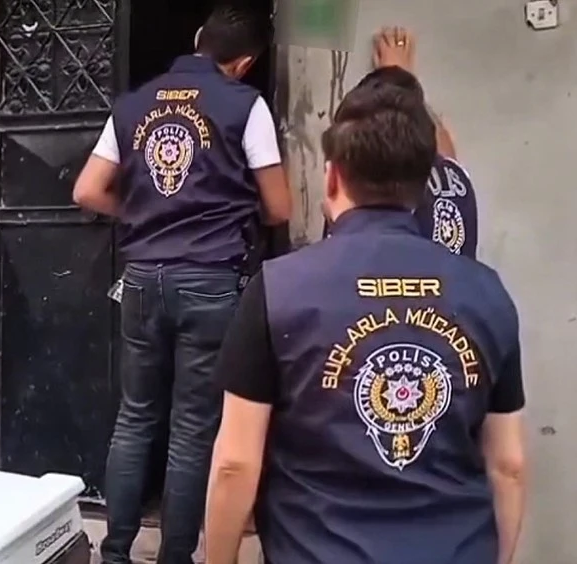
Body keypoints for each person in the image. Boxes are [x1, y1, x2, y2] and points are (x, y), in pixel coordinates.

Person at [203, 62, 527, 563]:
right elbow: (508, 465)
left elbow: (234, 465)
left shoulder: (279, 289)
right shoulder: (486, 292)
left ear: (332, 175)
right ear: (424, 182)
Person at [72, 5, 291, 563]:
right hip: (211, 281)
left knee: (134, 417)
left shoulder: (133, 105)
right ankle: (175, 557)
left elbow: (87, 190)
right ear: (245, 62)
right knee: (193, 428)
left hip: (143, 278)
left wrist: (146, 214)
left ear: (197, 39)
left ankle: (114, 553)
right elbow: (278, 207)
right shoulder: (245, 105)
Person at [323, 27, 479, 258]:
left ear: (333, 180)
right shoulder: (453, 190)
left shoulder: (327, 258)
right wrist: (400, 88)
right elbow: (441, 152)